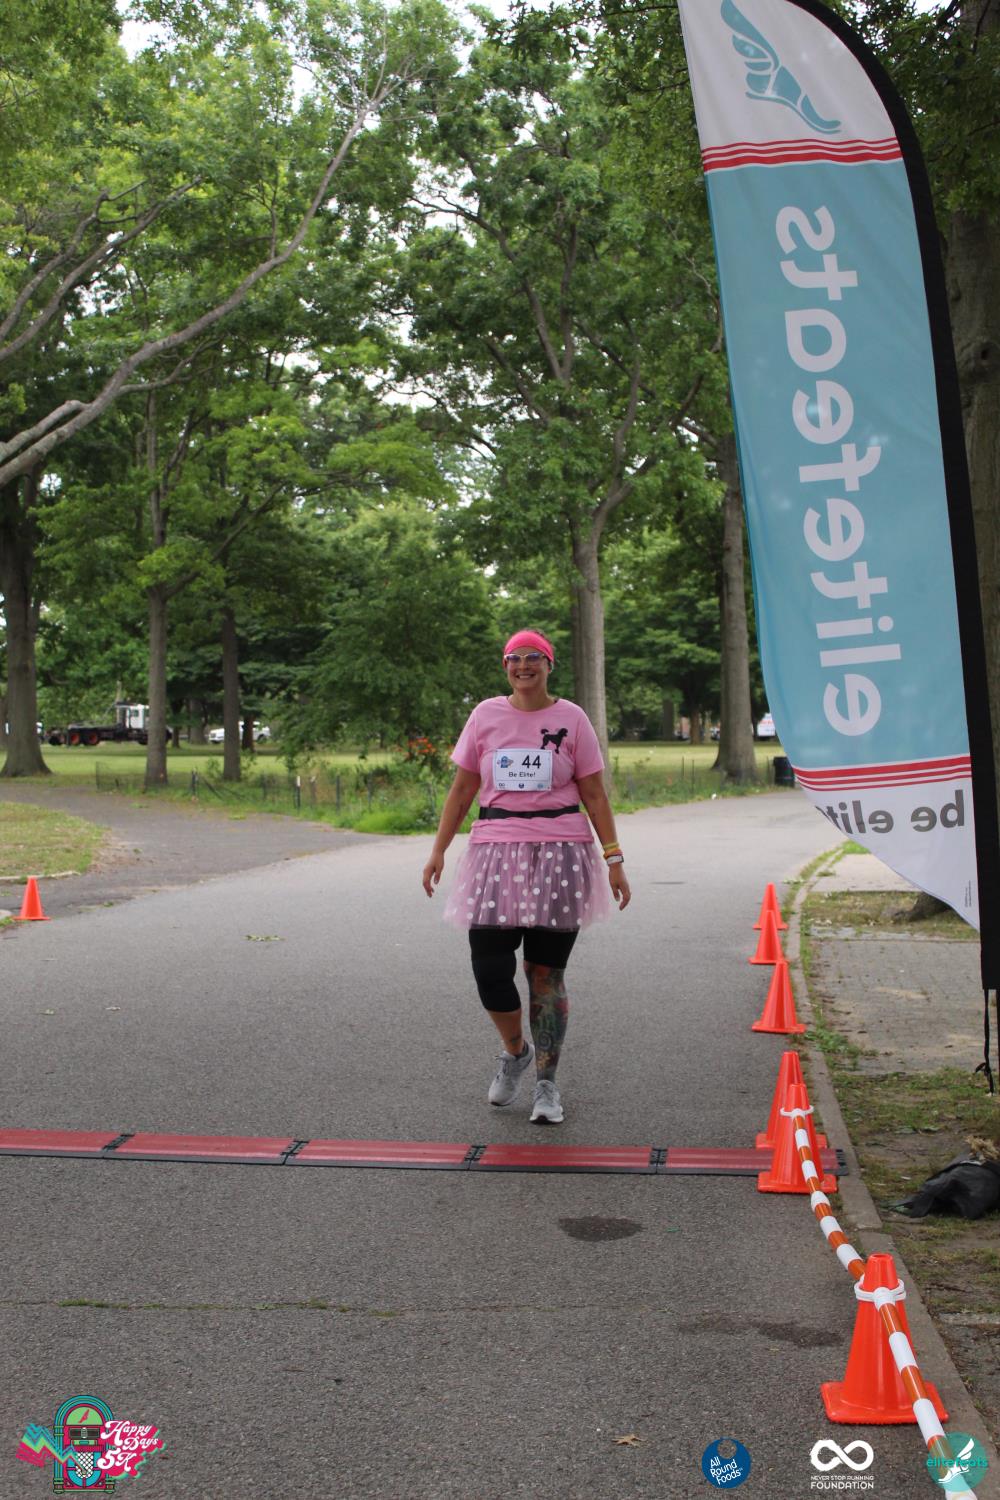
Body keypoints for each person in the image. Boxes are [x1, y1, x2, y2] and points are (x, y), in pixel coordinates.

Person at [422, 629, 630, 1124]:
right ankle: (515, 1050)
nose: (523, 666)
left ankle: (546, 1084)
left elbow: (595, 793)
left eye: (534, 657)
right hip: (494, 853)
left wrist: (614, 858)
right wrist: (438, 850)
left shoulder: (572, 718)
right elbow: (462, 789)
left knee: (544, 975)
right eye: (514, 658)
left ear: (549, 665)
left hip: (560, 855)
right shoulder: (485, 716)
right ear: (506, 667)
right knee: (489, 969)